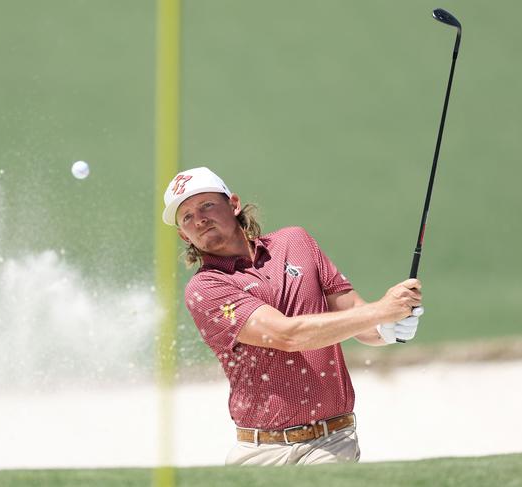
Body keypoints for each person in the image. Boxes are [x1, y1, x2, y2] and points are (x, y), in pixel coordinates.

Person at [162, 166, 423, 466]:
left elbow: (355, 316)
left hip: (330, 443)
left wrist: (388, 326)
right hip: (259, 451)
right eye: (187, 217)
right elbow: (287, 335)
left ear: (233, 204)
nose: (200, 219)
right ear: (184, 234)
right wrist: (382, 310)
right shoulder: (205, 288)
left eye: (206, 205)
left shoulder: (295, 242)